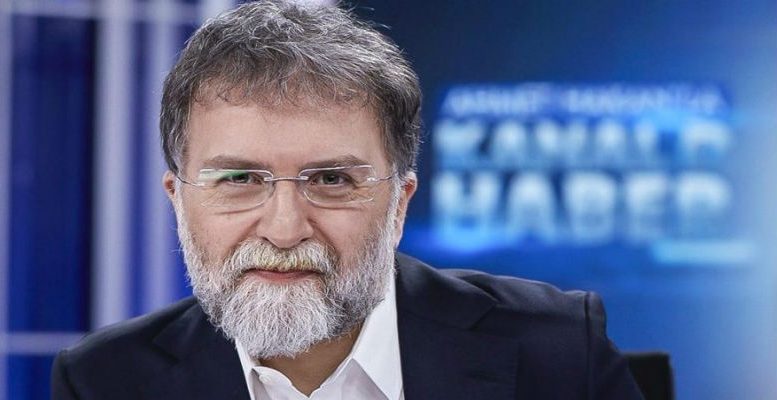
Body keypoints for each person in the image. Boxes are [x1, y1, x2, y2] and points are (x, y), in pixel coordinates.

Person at [50, 1, 644, 399]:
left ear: (399, 205)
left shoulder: (556, 351)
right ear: (178, 201)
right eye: (239, 179)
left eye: (331, 180)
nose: (285, 229)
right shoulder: (105, 381)